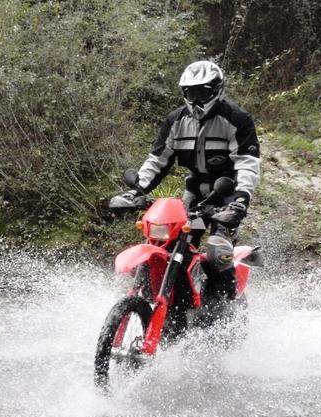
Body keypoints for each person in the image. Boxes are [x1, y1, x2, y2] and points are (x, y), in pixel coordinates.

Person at [112, 60, 261, 305]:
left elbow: (246, 162)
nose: (196, 99)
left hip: (224, 199)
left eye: (202, 92)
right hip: (194, 199)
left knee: (216, 251)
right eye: (191, 92)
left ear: (216, 90)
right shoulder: (176, 121)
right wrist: (135, 190)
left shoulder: (237, 119)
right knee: (171, 244)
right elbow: (157, 161)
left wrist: (241, 199)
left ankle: (225, 311)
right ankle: (169, 305)